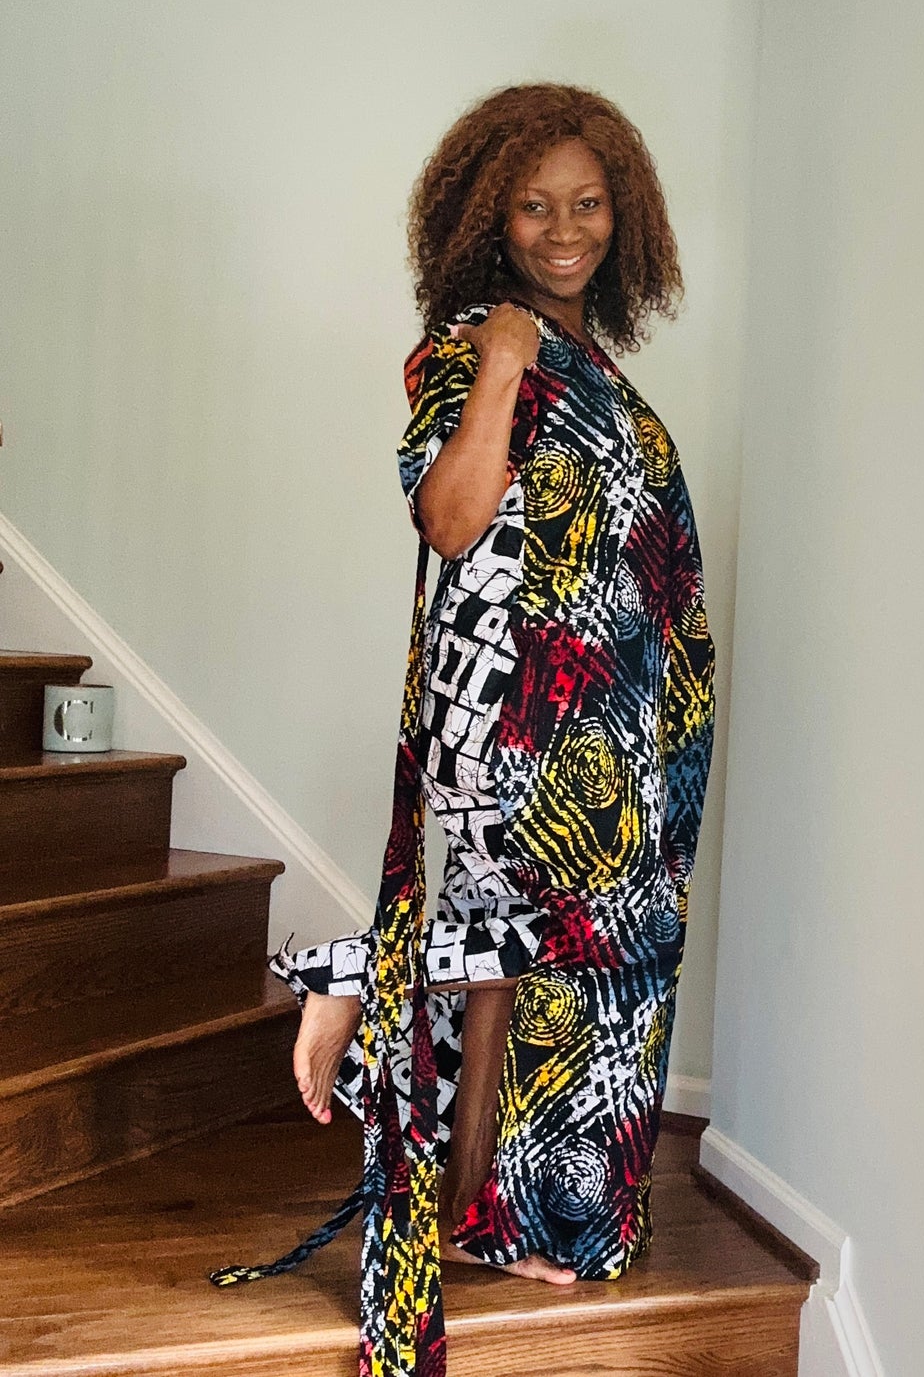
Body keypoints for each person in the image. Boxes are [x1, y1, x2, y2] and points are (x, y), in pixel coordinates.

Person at [216, 83, 715, 1374]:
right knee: (576, 946)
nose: (565, 227)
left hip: (615, 700)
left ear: (627, 214)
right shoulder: (467, 342)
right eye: (534, 204)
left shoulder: (598, 360)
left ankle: (490, 1209)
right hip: (517, 702)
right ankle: (352, 986)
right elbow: (448, 518)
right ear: (483, 217)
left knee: (549, 962)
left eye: (589, 202)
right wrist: (498, 365)